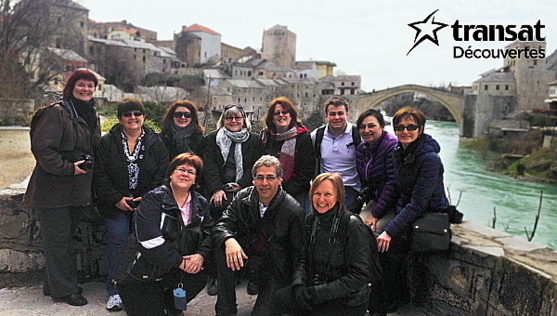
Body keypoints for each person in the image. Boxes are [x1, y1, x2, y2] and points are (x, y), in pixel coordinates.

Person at [24, 68, 101, 306]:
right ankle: (65, 292)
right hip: (54, 189)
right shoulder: (57, 112)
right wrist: (69, 168)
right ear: (71, 87)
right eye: (81, 85)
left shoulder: (90, 113)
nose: (86, 89)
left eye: (90, 86)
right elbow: (43, 150)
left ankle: (53, 285)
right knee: (59, 241)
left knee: (63, 239)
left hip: (75, 190)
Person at [94, 98, 169, 311]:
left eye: (137, 114)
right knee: (118, 240)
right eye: (127, 114)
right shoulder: (108, 142)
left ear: (144, 117)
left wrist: (147, 199)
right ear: (120, 118)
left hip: (147, 206)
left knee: (147, 243)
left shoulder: (156, 142)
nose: (132, 118)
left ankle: (142, 289)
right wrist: (116, 199)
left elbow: (163, 173)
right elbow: (100, 174)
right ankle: (115, 290)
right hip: (115, 204)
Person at [116, 153, 213, 316]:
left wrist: (200, 256)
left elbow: (210, 232)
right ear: (170, 174)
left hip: (173, 269)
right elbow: (149, 241)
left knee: (198, 276)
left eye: (191, 172)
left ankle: (171, 305)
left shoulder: (201, 203)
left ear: (195, 179)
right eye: (181, 169)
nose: (185, 174)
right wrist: (180, 262)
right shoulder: (154, 199)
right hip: (141, 273)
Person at [374, 107, 449, 314]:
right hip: (409, 210)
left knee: (389, 247)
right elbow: (397, 190)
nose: (405, 131)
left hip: (428, 214)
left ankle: (392, 302)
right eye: (400, 127)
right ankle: (385, 299)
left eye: (411, 127)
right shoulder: (399, 153)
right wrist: (376, 214)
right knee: (377, 241)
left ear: (421, 129)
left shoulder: (430, 159)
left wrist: (390, 230)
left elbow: (419, 203)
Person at [272, 173, 378, 316]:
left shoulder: (352, 225)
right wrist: (298, 284)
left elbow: (360, 275)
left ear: (338, 196)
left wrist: (320, 293)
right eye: (317, 194)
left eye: (327, 194)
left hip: (346, 299)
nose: (321, 199)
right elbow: (302, 259)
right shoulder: (311, 220)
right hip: (316, 287)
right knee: (279, 298)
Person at [212, 155, 305, 316]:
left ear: (280, 180)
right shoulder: (242, 198)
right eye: (259, 177)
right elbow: (221, 225)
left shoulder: (293, 210)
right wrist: (229, 239)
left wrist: (296, 288)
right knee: (223, 249)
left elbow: (299, 254)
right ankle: (225, 310)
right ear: (253, 180)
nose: (264, 183)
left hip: (274, 270)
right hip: (247, 258)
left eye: (270, 177)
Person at [202, 104, 262, 295]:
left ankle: (248, 271)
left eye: (237, 117)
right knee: (218, 223)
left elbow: (255, 165)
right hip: (220, 189)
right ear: (223, 120)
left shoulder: (254, 140)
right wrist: (217, 189)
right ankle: (218, 273)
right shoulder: (212, 139)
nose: (234, 121)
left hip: (245, 188)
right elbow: (209, 165)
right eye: (229, 118)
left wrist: (243, 184)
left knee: (251, 221)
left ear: (244, 119)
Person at [261, 97, 315, 208]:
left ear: (291, 115)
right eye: (277, 113)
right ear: (272, 118)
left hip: (296, 193)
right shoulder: (266, 138)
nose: (281, 115)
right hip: (268, 191)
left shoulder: (303, 137)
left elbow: (307, 171)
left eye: (285, 112)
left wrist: (283, 190)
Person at [311, 97, 361, 213]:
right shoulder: (317, 135)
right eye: (332, 114)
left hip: (349, 187)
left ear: (347, 114)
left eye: (340, 113)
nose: (337, 117)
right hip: (324, 186)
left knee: (342, 219)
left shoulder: (357, 135)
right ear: (326, 116)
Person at [355, 108, 398, 227]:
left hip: (394, 202)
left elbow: (392, 184)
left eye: (371, 126)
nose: (366, 130)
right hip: (376, 200)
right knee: (355, 224)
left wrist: (375, 214)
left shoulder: (391, 147)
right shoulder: (362, 148)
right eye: (362, 127)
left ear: (382, 126)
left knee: (367, 228)